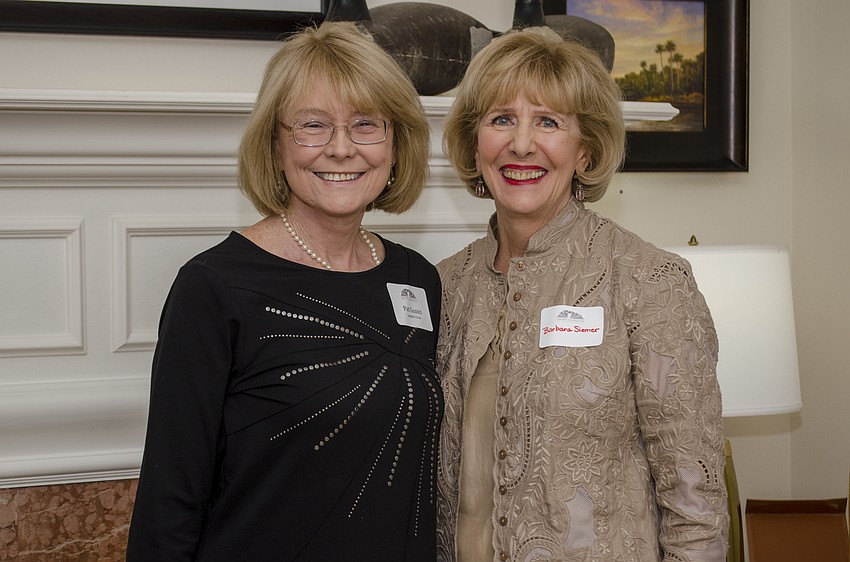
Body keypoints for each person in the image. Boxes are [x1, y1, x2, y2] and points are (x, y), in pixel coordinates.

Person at [126, 22, 442, 561]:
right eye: (313, 126)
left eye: (366, 124)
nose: (341, 149)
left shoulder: (417, 279)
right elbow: (169, 502)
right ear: (275, 144)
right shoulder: (215, 288)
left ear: (396, 144)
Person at [435, 28, 728, 562]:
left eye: (548, 121)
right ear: (475, 145)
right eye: (501, 119)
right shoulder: (445, 286)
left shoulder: (648, 281)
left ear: (585, 150)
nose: (521, 143)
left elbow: (695, 506)